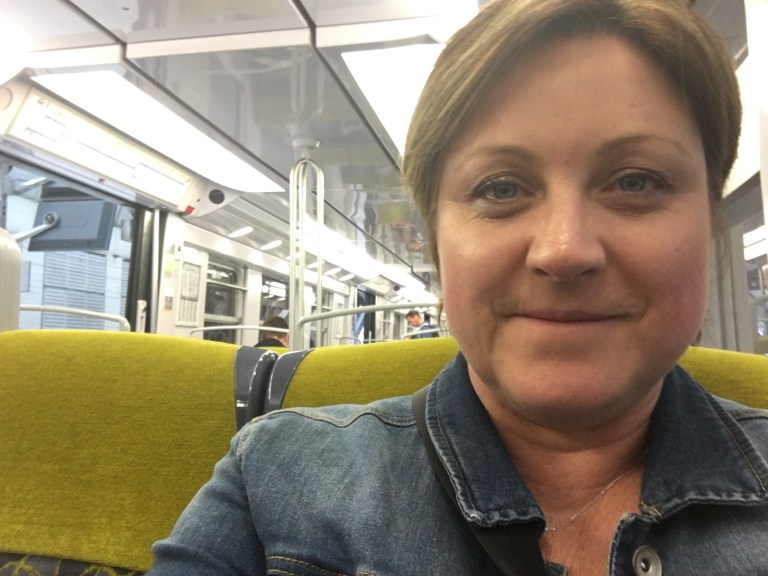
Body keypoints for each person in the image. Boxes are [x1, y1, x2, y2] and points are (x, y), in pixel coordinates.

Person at [147, 1, 768, 574]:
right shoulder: (274, 480)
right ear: (437, 245)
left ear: (711, 222)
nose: (564, 251)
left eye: (636, 181)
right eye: (501, 188)